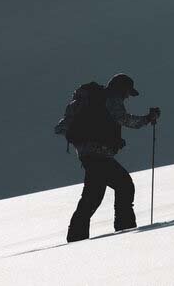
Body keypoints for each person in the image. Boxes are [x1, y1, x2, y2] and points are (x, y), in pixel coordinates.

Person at [66, 73, 161, 242]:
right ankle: (125, 229)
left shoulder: (99, 99)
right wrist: (147, 119)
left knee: (93, 196)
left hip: (89, 153)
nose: (127, 97)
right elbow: (123, 119)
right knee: (123, 185)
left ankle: (77, 236)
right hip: (98, 155)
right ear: (122, 89)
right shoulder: (112, 98)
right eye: (127, 93)